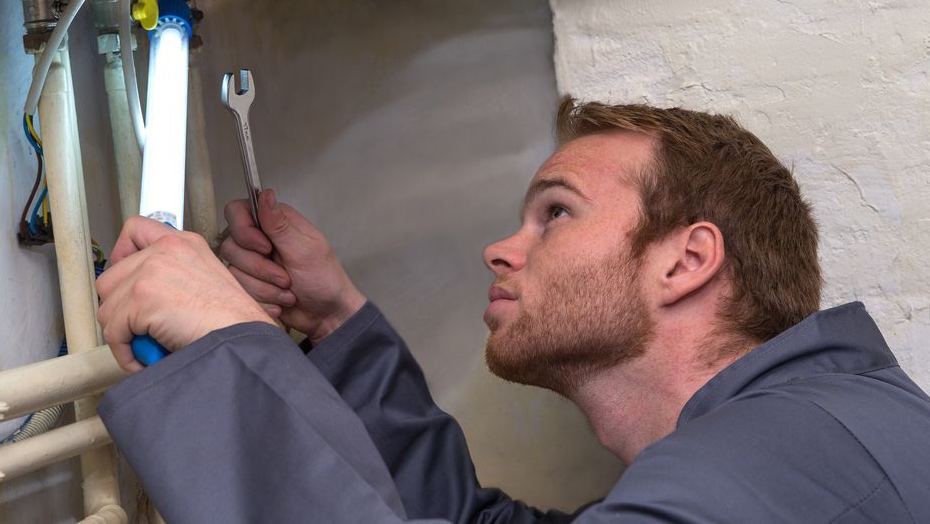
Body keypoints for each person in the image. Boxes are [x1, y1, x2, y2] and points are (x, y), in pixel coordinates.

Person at [95, 98, 930, 523]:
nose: (501, 247)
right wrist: (335, 322)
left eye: (555, 213)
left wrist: (227, 350)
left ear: (686, 259)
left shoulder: (775, 462)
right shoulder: (804, 431)